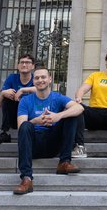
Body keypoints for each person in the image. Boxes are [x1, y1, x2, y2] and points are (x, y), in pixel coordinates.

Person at [12, 65, 84, 195]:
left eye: (43, 77)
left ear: (50, 79)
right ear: (33, 81)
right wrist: (36, 121)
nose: (40, 80)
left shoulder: (57, 97)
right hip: (34, 144)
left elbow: (79, 108)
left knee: (71, 115)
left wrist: (57, 116)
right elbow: (21, 126)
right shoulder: (25, 101)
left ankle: (64, 162)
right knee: (26, 125)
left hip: (53, 142)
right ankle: (26, 178)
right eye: (37, 78)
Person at [0, 54, 36, 144]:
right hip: (14, 117)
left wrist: (23, 90)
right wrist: (2, 93)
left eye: (27, 63)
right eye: (22, 62)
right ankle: (5, 133)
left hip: (30, 117)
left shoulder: (36, 79)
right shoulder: (12, 78)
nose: (24, 65)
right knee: (7, 97)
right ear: (18, 65)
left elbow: (42, 91)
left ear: (33, 66)